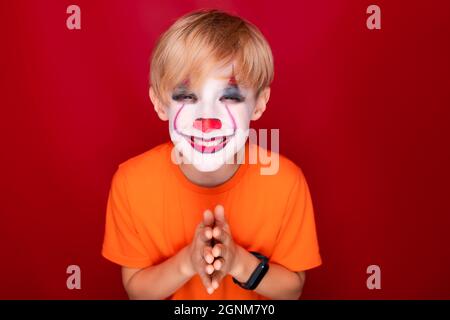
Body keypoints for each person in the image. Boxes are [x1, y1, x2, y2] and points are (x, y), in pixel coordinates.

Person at [102, 9, 321, 300]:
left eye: (229, 97)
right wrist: (188, 262)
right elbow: (138, 292)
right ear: (159, 103)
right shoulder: (132, 182)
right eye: (187, 96)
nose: (207, 120)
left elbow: (292, 290)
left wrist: (238, 262)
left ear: (259, 104)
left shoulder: (285, 181)